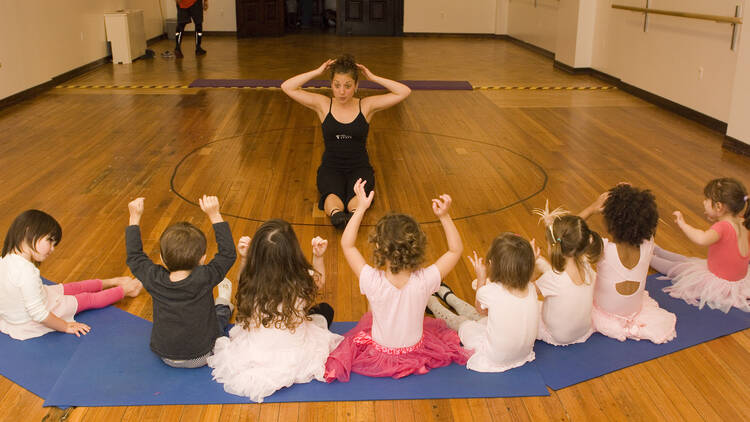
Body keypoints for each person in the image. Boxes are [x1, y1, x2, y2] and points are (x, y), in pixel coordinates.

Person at [324, 179, 469, 382]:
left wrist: (361, 209)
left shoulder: (372, 280)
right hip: (416, 350)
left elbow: (347, 245)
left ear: (380, 249)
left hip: (380, 353)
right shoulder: (425, 280)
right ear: (417, 247)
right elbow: (455, 250)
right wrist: (444, 216)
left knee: (362, 329)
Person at [208, 221, 342, 402]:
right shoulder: (303, 279)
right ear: (293, 252)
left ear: (257, 252)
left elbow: (241, 280)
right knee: (324, 310)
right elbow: (319, 282)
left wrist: (244, 259)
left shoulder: (251, 278)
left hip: (256, 351)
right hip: (295, 351)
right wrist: (318, 257)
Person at [281, 54, 411, 228]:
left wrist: (372, 77)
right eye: (337, 85)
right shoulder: (323, 104)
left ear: (356, 86)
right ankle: (337, 216)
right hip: (331, 167)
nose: (342, 91)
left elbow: (404, 91)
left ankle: (353, 216)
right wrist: (317, 71)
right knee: (333, 199)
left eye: (348, 86)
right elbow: (287, 87)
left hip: (359, 167)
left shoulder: (366, 106)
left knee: (355, 202)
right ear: (331, 85)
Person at [125, 195, 236, 368]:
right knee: (219, 316)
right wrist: (214, 215)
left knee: (213, 317)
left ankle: (222, 304)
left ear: (162, 259)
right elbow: (228, 254)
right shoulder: (205, 277)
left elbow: (134, 256)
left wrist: (134, 217)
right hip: (203, 355)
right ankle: (223, 302)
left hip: (165, 355)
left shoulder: (154, 278)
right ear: (203, 259)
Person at [0, 210, 141, 340]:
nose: (52, 249)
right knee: (87, 298)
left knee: (73, 287)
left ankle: (112, 281)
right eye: (50, 240)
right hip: (33, 319)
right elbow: (39, 314)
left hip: (24, 308)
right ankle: (127, 290)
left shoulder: (5, 258)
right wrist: (65, 326)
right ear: (28, 231)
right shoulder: (26, 272)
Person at [427, 233, 540, 372]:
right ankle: (448, 297)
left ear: (491, 265)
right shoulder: (531, 287)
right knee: (482, 318)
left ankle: (432, 302)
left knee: (465, 324)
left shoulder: (491, 291)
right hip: (523, 354)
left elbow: (480, 309)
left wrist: (481, 278)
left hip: (494, 356)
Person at [580, 185, 676, 343]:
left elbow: (565, 231)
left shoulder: (602, 249)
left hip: (603, 313)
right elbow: (640, 213)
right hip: (634, 311)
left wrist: (592, 207)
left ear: (610, 220)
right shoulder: (649, 243)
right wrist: (630, 195)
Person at [651, 178, 750, 313]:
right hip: (738, 280)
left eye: (707, 199)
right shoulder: (742, 222)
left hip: (719, 282)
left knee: (678, 268)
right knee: (687, 261)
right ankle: (657, 249)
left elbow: (701, 239)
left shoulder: (723, 227)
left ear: (719, 206)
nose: (704, 202)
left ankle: (648, 256)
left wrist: (683, 224)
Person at [532, 204, 602, 346]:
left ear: (553, 246)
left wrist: (530, 264)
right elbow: (573, 233)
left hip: (558, 336)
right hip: (584, 330)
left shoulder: (552, 278)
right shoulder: (587, 265)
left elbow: (525, 292)